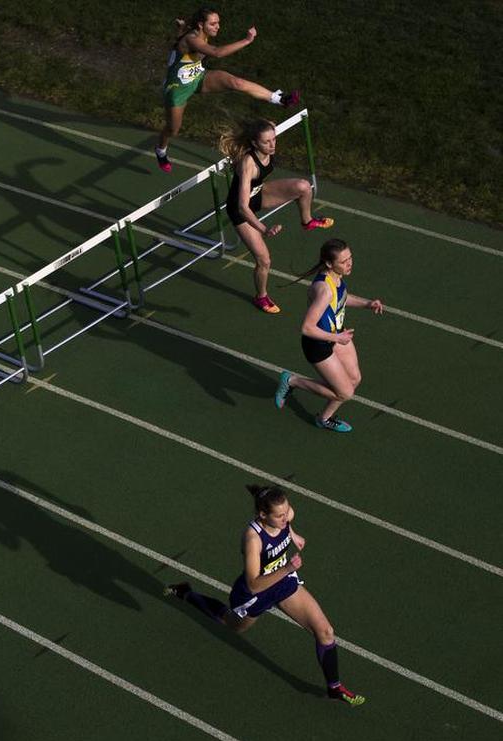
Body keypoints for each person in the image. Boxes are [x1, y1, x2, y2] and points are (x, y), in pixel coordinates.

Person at [165, 485, 364, 705]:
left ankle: (334, 687)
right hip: (255, 594)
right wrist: (287, 569)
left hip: (282, 584)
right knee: (231, 624)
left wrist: (292, 534)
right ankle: (187, 593)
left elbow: (286, 523)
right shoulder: (253, 539)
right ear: (262, 515)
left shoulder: (285, 516)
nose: (285, 517)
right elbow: (254, 585)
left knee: (325, 631)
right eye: (279, 516)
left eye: (286, 512)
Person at [157, 8, 300, 173]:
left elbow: (180, 39)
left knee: (236, 82)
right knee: (173, 129)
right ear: (200, 25)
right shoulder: (191, 39)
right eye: (213, 23)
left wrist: (180, 28)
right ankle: (161, 151)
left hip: (198, 77)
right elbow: (216, 53)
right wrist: (247, 40)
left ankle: (280, 99)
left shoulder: (196, 32)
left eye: (218, 22)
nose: (217, 27)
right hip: (177, 89)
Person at [219, 118, 335, 313]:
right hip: (241, 210)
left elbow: (266, 125)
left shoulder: (267, 139)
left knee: (304, 187)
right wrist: (264, 229)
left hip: (260, 193)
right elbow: (242, 207)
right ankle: (261, 297)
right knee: (264, 260)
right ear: (255, 143)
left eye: (274, 139)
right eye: (267, 142)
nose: (273, 145)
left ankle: (307, 221)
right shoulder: (249, 164)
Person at [274, 238, 383, 432]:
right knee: (345, 393)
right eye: (343, 261)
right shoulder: (323, 290)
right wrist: (337, 339)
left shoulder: (336, 277)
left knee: (354, 379)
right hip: (318, 345)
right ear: (329, 263)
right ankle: (292, 381)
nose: (349, 263)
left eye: (350, 258)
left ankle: (324, 419)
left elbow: (342, 298)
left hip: (337, 336)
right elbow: (307, 328)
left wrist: (367, 304)